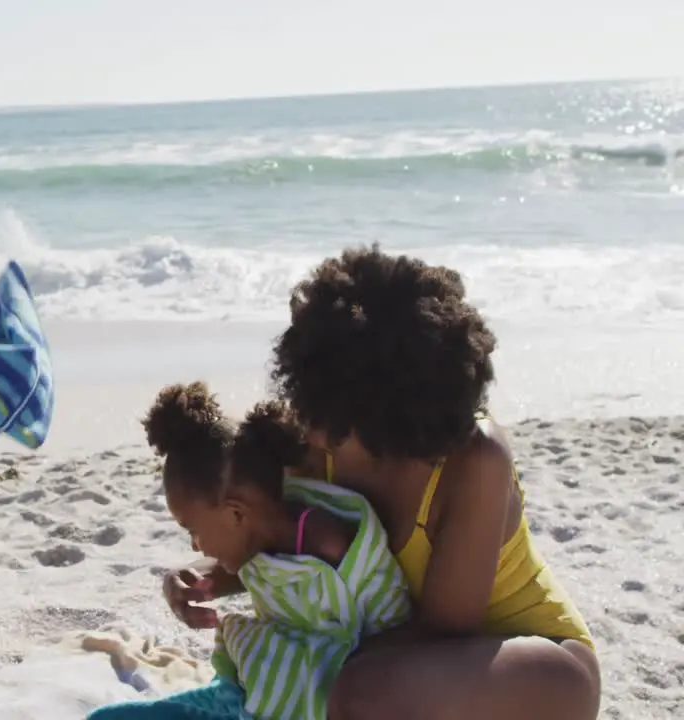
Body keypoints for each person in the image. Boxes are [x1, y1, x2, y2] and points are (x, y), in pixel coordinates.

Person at [162, 246, 600, 720]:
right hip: (405, 672)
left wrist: (294, 664)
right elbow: (274, 537)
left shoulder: (473, 459)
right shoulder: (318, 438)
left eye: (318, 399)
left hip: (533, 671)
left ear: (379, 403)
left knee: (357, 690)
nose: (301, 414)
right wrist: (206, 575)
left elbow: (443, 629)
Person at [90, 383, 410, 719]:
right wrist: (183, 580)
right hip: (250, 694)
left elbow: (388, 626)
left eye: (193, 531)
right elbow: (235, 570)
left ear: (236, 513)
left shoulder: (332, 550)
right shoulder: (257, 536)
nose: (195, 545)